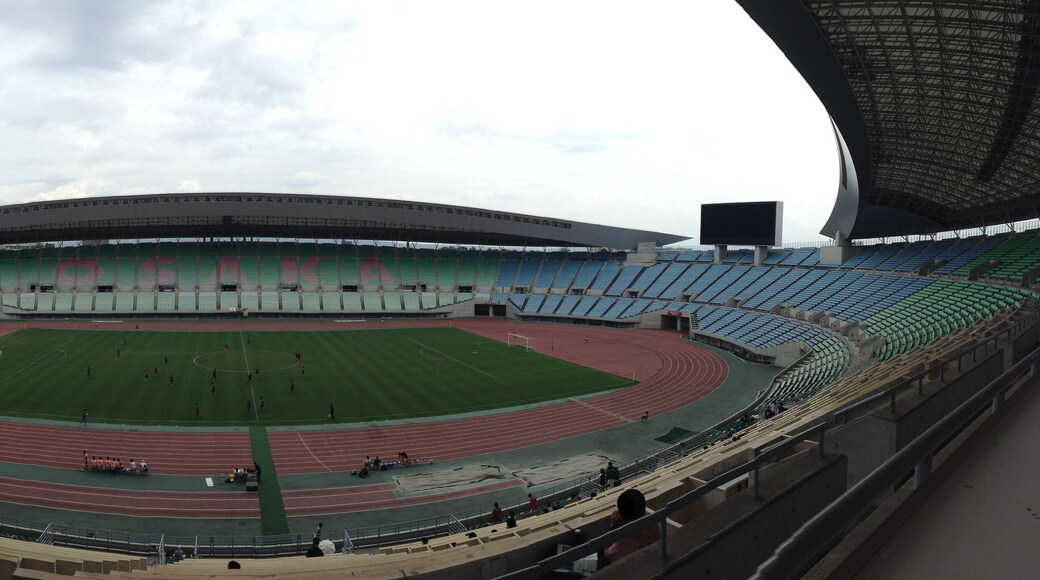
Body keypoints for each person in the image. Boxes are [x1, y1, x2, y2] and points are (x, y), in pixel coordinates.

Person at [601, 489, 660, 564]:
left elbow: (607, 554)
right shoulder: (653, 523)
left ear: (622, 516)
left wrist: (613, 527)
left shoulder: (624, 541)